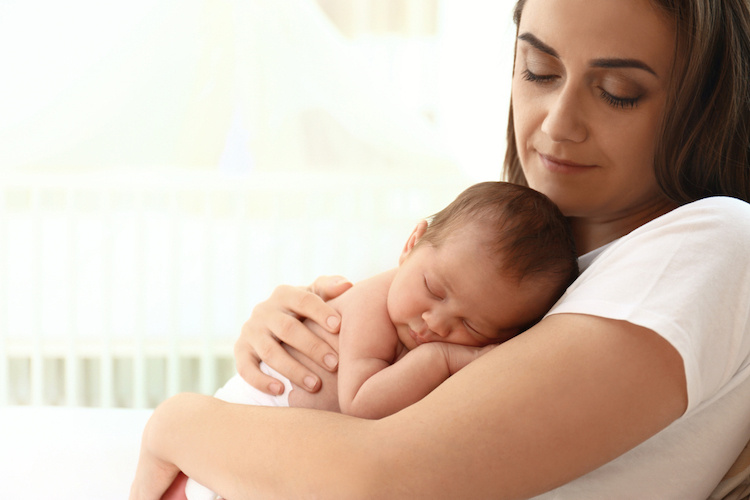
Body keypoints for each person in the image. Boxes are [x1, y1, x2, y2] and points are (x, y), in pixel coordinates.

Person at [131, 0, 750, 499]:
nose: (558, 123)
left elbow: (377, 480)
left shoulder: (715, 241)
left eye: (617, 90)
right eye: (538, 71)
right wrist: (301, 341)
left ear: (702, 106)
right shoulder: (540, 274)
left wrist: (178, 423)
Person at [184, 181, 578, 499]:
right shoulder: (370, 304)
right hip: (224, 457)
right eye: (434, 290)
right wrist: (440, 359)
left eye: (472, 326)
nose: (436, 323)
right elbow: (361, 405)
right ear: (412, 243)